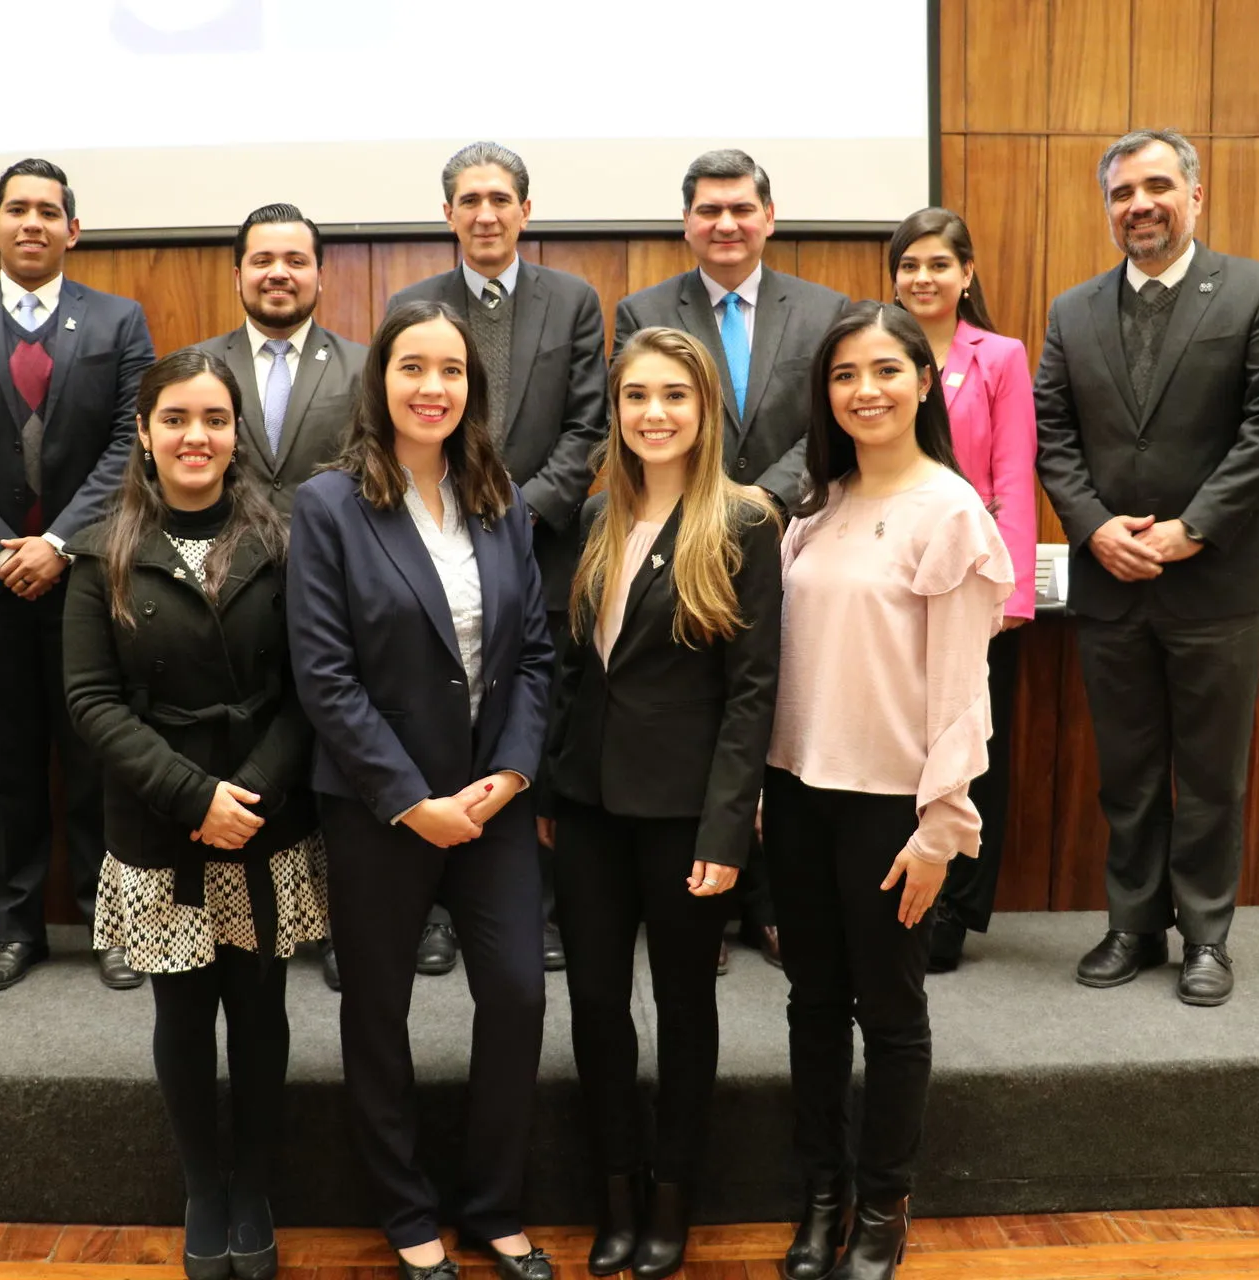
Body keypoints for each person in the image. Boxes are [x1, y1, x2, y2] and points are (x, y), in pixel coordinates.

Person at [287, 300, 555, 1280]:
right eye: (412, 366)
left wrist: (512, 772)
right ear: (381, 380)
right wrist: (410, 797)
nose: (432, 385)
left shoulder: (502, 497)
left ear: (470, 387)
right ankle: (407, 1211)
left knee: (519, 995)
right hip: (376, 806)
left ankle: (494, 1202)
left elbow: (532, 655)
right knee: (379, 1008)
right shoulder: (329, 505)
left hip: (495, 799)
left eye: (450, 369)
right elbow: (324, 675)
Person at [1035, 129, 1259, 1007]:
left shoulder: (1258, 291)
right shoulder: (1071, 311)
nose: (1139, 205)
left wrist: (1193, 528)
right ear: (1108, 207)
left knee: (1211, 772)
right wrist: (1091, 528)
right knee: (1127, 769)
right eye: (1122, 193)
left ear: (1196, 195)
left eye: (1158, 186)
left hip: (1214, 581)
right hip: (1112, 580)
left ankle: (1205, 935)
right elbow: (1053, 436)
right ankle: (1131, 925)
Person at [63, 350, 322, 1280]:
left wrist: (244, 796)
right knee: (182, 1014)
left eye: (214, 419)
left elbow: (310, 688)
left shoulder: (289, 538)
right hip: (159, 822)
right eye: (175, 419)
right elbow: (91, 702)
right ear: (144, 432)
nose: (195, 437)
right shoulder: (102, 551)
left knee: (258, 1011)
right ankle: (202, 1187)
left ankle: (252, 1186)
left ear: (235, 433)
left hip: (265, 816)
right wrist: (192, 798)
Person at [766, 303, 1011, 1280]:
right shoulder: (814, 506)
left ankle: (882, 1206)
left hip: (891, 807)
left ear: (922, 380)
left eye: (884, 370)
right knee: (811, 1004)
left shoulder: (950, 510)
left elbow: (962, 689)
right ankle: (820, 1191)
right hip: (795, 793)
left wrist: (940, 825)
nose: (864, 390)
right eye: (843, 375)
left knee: (891, 1009)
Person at [545, 328, 779, 1279]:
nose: (653, 413)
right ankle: (617, 1194)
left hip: (687, 814)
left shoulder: (747, 520)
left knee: (685, 1007)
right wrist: (553, 787)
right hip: (588, 806)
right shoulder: (596, 517)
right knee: (598, 1005)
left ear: (706, 407)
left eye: (674, 395)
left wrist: (730, 826)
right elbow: (570, 670)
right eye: (636, 395)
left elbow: (753, 692)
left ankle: (674, 1198)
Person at [0, 157, 157, 992]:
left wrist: (61, 546)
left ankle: (105, 924)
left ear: (72, 230)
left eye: (49, 210)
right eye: (18, 209)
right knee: (8, 764)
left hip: (88, 581)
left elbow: (130, 444)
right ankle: (17, 931)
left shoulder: (119, 321)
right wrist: (1, 548)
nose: (33, 222)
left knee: (96, 759)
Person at [614, 148, 849, 970]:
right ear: (687, 223)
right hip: (677, 543)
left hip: (795, 539)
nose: (726, 224)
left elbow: (826, 423)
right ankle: (704, 908)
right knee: (701, 707)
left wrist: (757, 506)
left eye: (741, 209)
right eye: (709, 210)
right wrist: (710, 509)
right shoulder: (642, 310)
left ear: (769, 217)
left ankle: (771, 902)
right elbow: (644, 419)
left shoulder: (825, 311)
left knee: (777, 711)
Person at [383, 141, 608, 980]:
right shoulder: (413, 302)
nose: (485, 213)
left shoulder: (575, 300)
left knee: (528, 726)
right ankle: (436, 910)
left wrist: (512, 515)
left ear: (525, 209)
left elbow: (589, 428)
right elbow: (401, 415)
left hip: (537, 554)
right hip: (426, 553)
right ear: (448, 214)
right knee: (439, 714)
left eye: (500, 198)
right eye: (469, 200)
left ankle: (531, 906)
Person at [887, 208, 1038, 973]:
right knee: (905, 741)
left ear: (967, 274)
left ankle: (955, 906)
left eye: (939, 264)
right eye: (909, 264)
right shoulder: (878, 349)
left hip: (975, 587)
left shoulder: (1000, 356)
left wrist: (1008, 598)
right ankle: (900, 890)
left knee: (973, 744)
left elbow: (1013, 472)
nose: (923, 278)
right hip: (894, 584)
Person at [194, 203, 365, 520]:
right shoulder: (197, 366)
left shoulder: (364, 367)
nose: (278, 273)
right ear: (238, 276)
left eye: (296, 261)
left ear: (319, 276)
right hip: (224, 556)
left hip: (332, 556)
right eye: (262, 261)